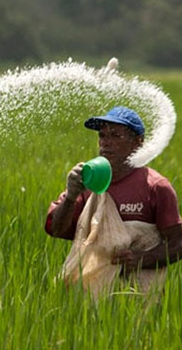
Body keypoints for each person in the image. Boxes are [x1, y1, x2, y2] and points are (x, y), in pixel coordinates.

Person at [46, 106, 182, 278]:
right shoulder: (87, 182)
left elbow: (178, 243)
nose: (105, 142)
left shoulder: (155, 187)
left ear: (137, 142)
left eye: (116, 135)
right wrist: (71, 198)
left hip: (139, 295)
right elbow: (57, 230)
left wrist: (142, 258)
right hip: (90, 293)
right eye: (102, 135)